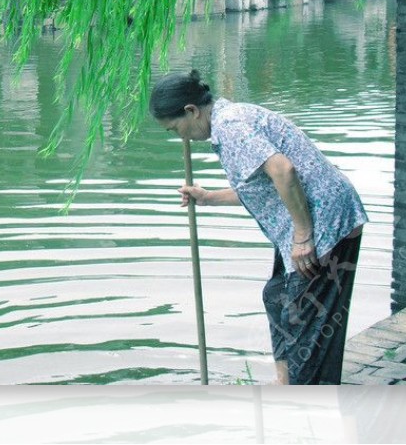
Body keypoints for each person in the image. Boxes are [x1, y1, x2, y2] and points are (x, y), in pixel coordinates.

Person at [150, 69, 368, 385]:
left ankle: (305, 406)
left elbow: (283, 171)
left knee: (306, 325)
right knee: (277, 295)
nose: (179, 136)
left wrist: (303, 234)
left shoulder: (230, 127)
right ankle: (286, 385)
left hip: (324, 223)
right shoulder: (228, 120)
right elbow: (262, 188)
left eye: (175, 129)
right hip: (312, 218)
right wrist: (208, 198)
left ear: (191, 111)